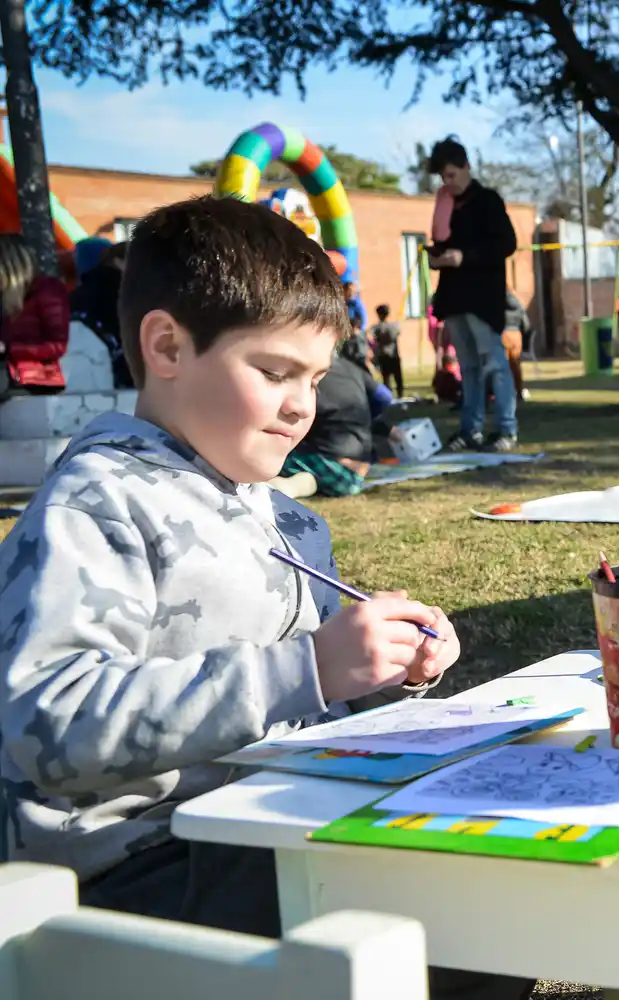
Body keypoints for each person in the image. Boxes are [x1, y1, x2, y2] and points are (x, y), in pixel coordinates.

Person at [0, 196, 533, 1000]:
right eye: (275, 372)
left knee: (490, 884)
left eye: (314, 378)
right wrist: (308, 668)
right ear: (168, 345)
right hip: (134, 870)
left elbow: (310, 705)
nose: (301, 406)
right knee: (446, 917)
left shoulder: (281, 515)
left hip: (270, 819)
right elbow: (44, 722)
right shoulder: (98, 505)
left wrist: (385, 669)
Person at [426, 136, 520, 452]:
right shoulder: (445, 203)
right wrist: (436, 256)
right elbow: (440, 241)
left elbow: (506, 243)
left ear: (467, 167)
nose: (448, 183)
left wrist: (466, 257)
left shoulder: (487, 201)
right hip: (454, 297)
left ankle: (506, 429)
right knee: (467, 368)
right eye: (443, 177)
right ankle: (470, 430)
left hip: (482, 300)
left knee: (494, 363)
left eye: (452, 175)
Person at [273, 350, 393, 498]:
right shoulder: (352, 368)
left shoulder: (307, 378)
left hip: (330, 463)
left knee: (273, 456)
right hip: (357, 474)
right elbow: (385, 397)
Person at [0, 234, 70, 396]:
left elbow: (57, 346)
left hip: (35, 382)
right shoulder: (5, 295)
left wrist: (8, 349)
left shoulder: (47, 291)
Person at [69, 240, 135, 388]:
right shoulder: (125, 294)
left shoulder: (79, 293)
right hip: (124, 374)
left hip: (82, 374)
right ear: (118, 260)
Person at [370, 303, 404, 396]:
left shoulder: (376, 328)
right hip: (394, 355)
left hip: (383, 355)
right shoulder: (395, 325)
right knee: (398, 378)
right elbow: (398, 331)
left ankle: (389, 397)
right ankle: (400, 395)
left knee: (386, 378)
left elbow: (372, 337)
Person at [503, 288, 530, 403]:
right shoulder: (518, 305)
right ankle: (519, 391)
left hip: (503, 334)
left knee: (503, 366)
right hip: (516, 335)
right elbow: (526, 324)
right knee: (516, 365)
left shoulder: (498, 302)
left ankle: (504, 393)